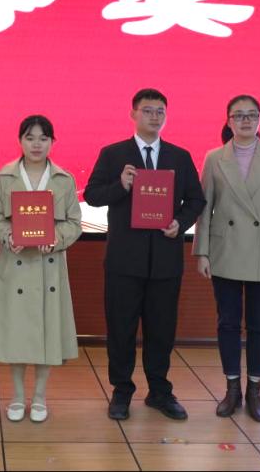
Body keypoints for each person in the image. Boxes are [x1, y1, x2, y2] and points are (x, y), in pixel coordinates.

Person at [84, 88, 206, 421]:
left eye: (160, 111)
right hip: (124, 261)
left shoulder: (179, 156)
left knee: (161, 330)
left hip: (165, 261)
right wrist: (120, 186)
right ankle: (121, 391)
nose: (154, 116)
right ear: (133, 114)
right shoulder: (113, 154)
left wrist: (180, 223)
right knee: (121, 329)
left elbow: (196, 200)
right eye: (148, 110)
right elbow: (92, 195)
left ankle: (160, 391)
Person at [194, 94, 260, 423]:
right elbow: (205, 209)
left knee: (259, 324)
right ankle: (232, 389)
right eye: (238, 116)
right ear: (228, 121)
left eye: (251, 115)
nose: (245, 121)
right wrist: (201, 251)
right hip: (225, 250)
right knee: (227, 323)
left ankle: (255, 390)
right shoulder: (214, 158)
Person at [0, 115, 82, 424]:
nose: (36, 144)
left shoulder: (64, 179)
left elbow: (74, 223)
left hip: (48, 266)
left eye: (43, 138)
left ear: (52, 142)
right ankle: (17, 396)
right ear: (20, 141)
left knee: (46, 332)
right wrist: (8, 236)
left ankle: (39, 396)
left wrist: (55, 239)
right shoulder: (5, 176)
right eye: (30, 138)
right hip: (15, 264)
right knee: (16, 333)